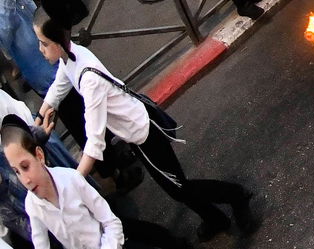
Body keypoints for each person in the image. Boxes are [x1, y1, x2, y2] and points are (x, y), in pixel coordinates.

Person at [34, 19, 258, 242]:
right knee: (176, 186)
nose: (40, 49)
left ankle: (235, 195)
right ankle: (215, 218)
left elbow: (94, 139)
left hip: (143, 132)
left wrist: (75, 180)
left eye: (43, 43)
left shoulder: (88, 78)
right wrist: (39, 117)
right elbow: (59, 86)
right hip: (135, 133)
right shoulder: (70, 58)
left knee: (178, 187)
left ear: (58, 44)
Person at [2, 117, 188, 249]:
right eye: (16, 171)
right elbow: (40, 243)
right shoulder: (32, 205)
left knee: (134, 229)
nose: (24, 180)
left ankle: (176, 243)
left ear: (40, 156)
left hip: (110, 241)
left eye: (25, 167)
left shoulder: (71, 180)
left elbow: (110, 221)